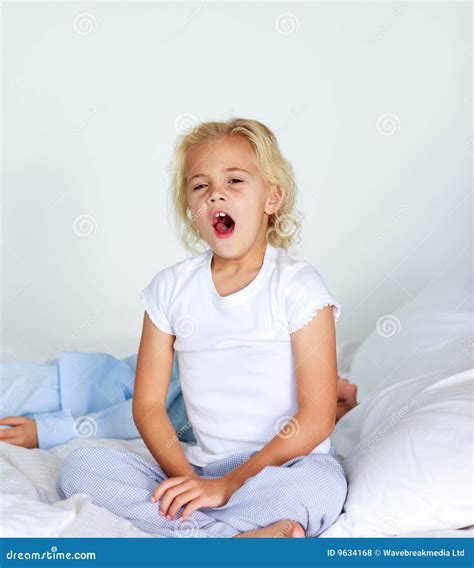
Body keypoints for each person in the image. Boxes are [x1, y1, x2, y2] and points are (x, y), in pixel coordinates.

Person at [56, 118, 353, 538]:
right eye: (200, 186)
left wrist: (229, 486)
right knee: (82, 467)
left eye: (235, 180)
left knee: (322, 486)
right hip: (203, 464)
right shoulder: (169, 288)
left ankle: (215, 534)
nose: (216, 193)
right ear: (192, 210)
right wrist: (190, 483)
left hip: (285, 466)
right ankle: (236, 536)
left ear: (272, 197)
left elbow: (318, 417)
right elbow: (148, 406)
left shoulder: (298, 285)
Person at [0, 350, 357, 449]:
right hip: (79, 388)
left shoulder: (260, 417)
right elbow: (144, 413)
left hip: (82, 391)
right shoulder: (263, 378)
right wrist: (51, 431)